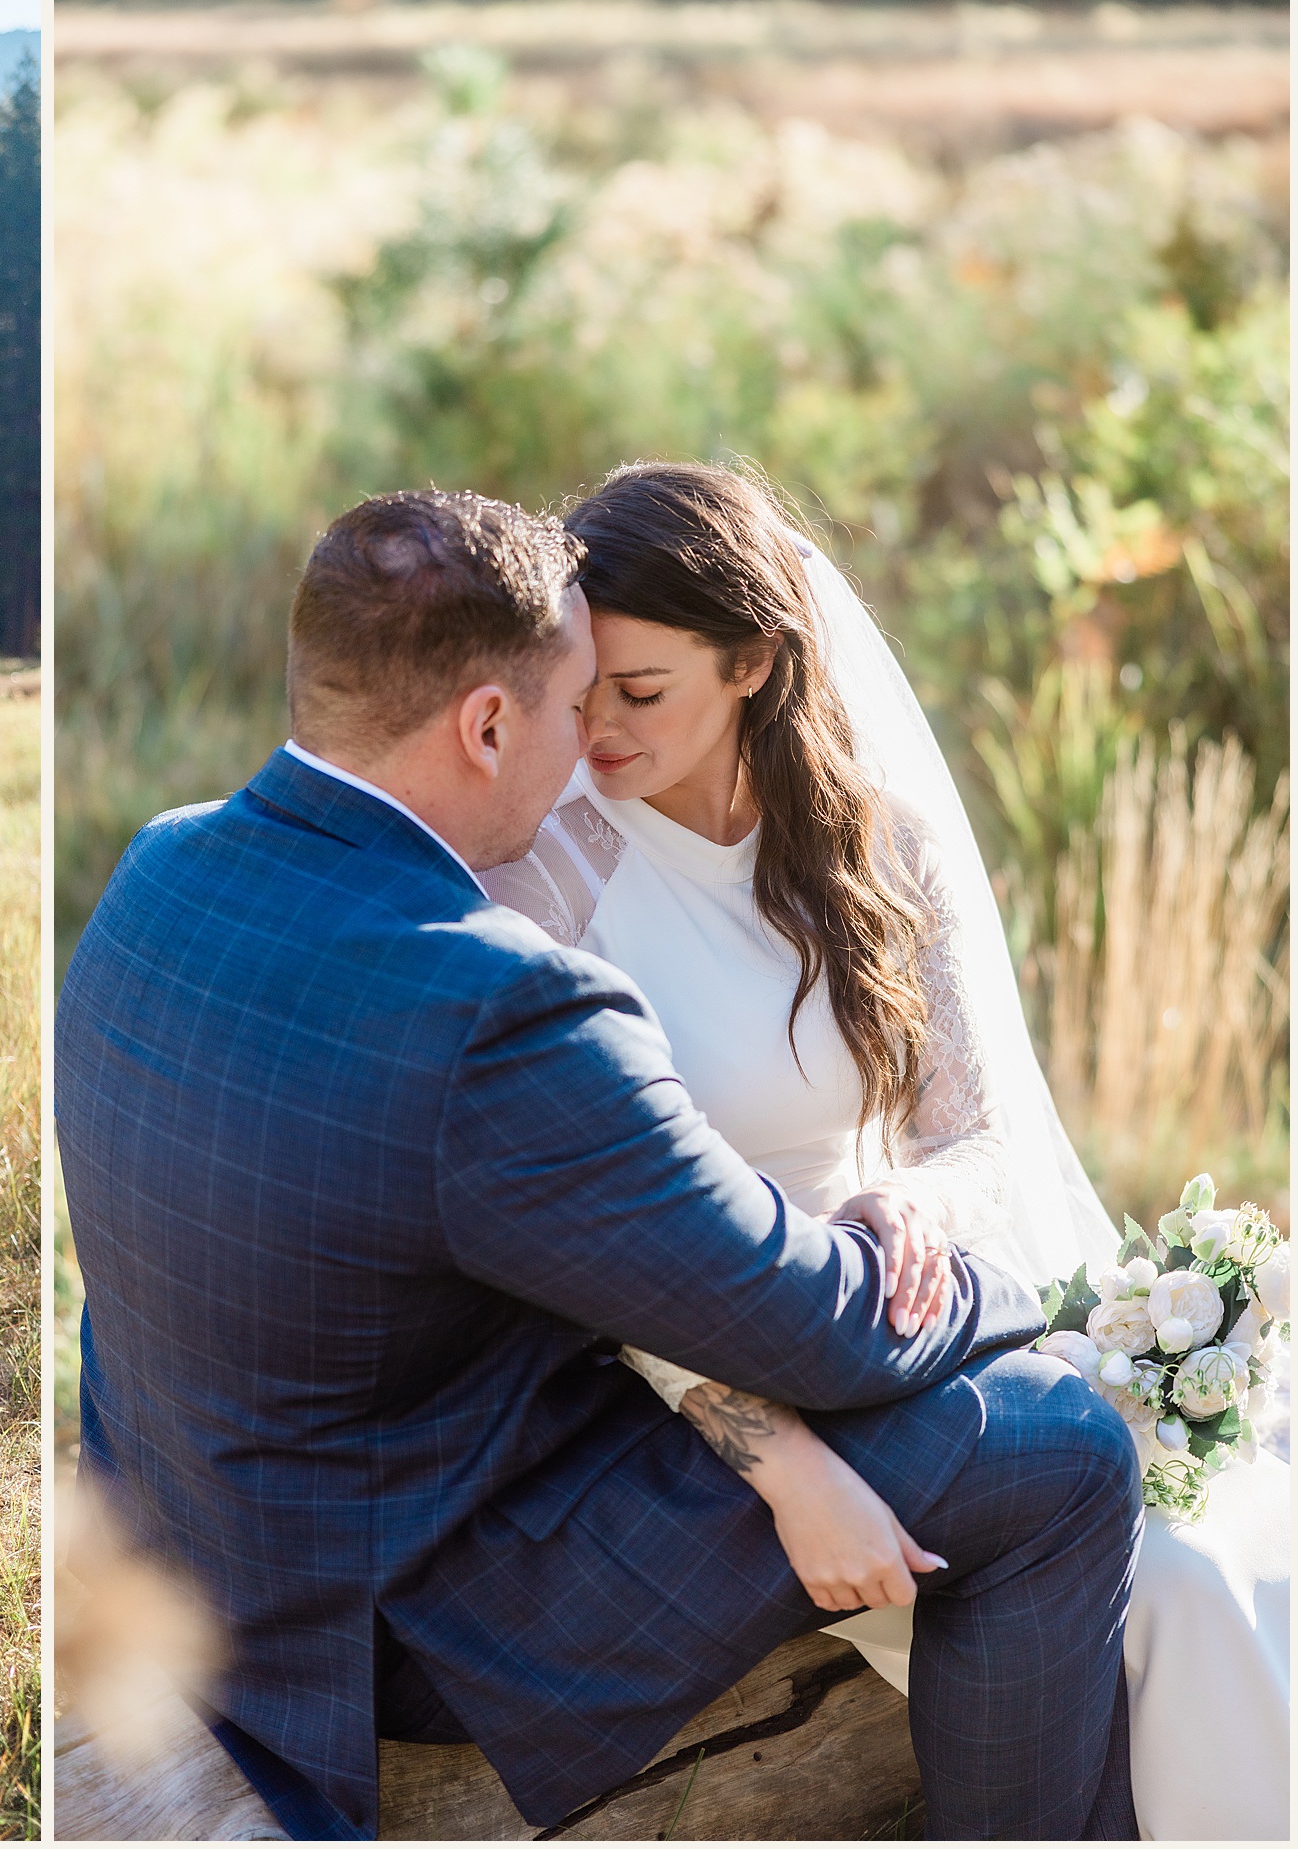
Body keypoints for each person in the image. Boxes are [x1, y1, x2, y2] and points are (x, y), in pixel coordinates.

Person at [56, 487, 1143, 1840]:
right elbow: (812, 1326)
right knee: (1064, 1447)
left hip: (215, 1514)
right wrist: (1024, 1294)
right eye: (578, 703)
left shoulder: (164, 866)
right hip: (413, 1602)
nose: (593, 744)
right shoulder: (495, 999)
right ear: (489, 722)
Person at [481, 459, 1289, 1841]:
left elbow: (976, 1134)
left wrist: (909, 1194)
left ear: (752, 661)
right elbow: (588, 1237)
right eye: (581, 687)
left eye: (643, 691)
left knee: (1222, 1563)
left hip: (934, 1318)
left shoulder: (879, 842)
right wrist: (784, 1464)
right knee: (1172, 1595)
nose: (597, 729)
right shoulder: (552, 880)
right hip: (720, 1380)